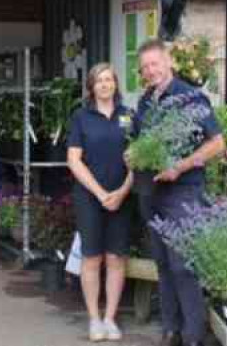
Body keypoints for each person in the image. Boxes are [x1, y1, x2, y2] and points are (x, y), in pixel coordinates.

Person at [132, 39, 225, 346]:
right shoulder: (146, 101)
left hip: (183, 191)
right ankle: (170, 330)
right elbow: (135, 141)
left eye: (154, 64)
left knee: (182, 265)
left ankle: (193, 335)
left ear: (168, 61)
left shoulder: (190, 97)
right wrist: (130, 155)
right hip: (151, 191)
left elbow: (217, 144)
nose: (150, 71)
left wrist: (181, 166)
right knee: (162, 262)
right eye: (145, 67)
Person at [67, 62, 135, 342]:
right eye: (99, 81)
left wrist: (122, 191)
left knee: (116, 257)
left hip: (122, 197)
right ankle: (94, 319)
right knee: (92, 257)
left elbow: (138, 158)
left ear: (116, 84)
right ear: (91, 87)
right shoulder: (81, 117)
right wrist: (100, 193)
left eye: (109, 80)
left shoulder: (129, 116)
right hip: (89, 198)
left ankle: (111, 318)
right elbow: (74, 160)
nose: (105, 85)